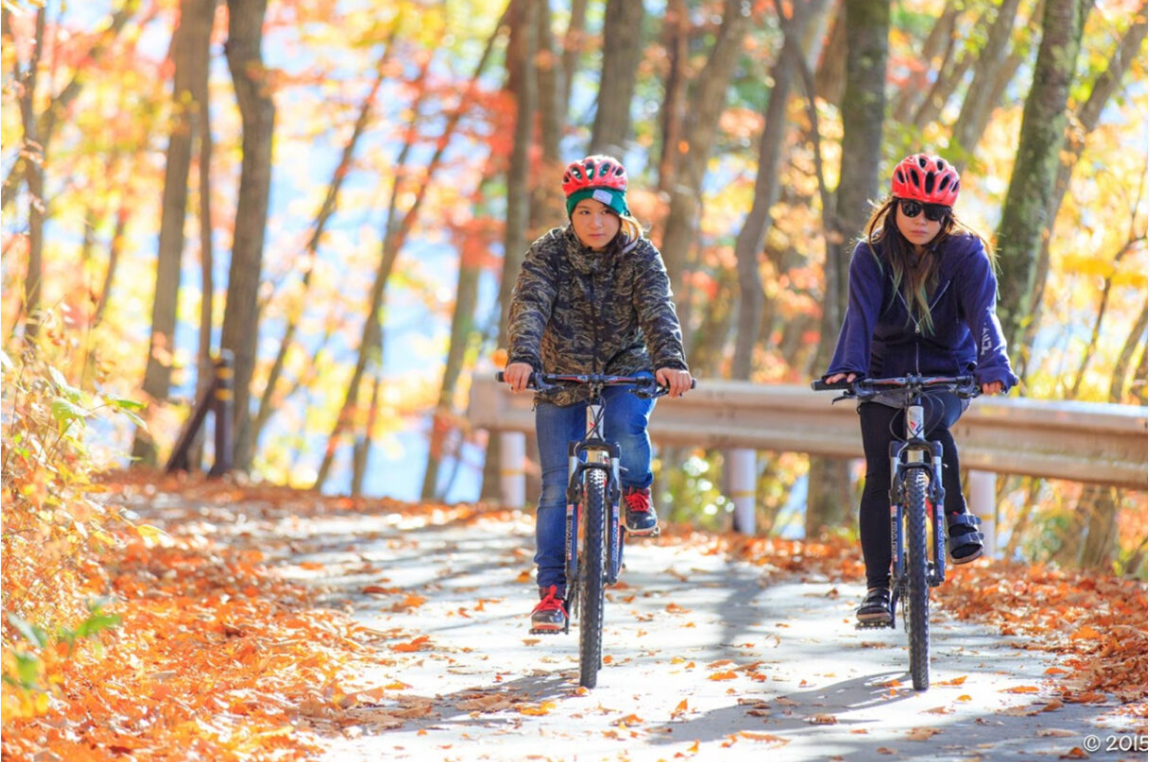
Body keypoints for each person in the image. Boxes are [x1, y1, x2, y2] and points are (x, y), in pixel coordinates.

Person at [822, 153, 1018, 625]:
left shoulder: (966, 254)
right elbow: (859, 316)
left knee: (929, 418)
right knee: (877, 474)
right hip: (882, 371)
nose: (921, 220)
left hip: (947, 371)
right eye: (911, 208)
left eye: (934, 212)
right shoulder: (870, 256)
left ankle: (956, 516)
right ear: (894, 206)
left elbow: (984, 314)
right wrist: (848, 366)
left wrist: (993, 364)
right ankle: (876, 590)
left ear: (947, 216)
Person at [503, 155, 692, 633]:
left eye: (606, 212)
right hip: (560, 373)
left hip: (626, 367)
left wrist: (670, 361)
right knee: (554, 487)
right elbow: (530, 304)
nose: (595, 222)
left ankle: (635, 490)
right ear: (571, 213)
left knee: (627, 425)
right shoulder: (548, 252)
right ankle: (551, 594)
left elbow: (658, 309)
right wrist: (523, 357)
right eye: (584, 212)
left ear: (621, 213)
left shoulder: (640, 255)